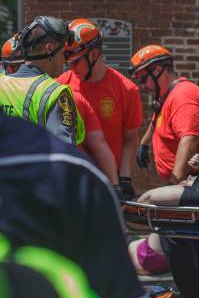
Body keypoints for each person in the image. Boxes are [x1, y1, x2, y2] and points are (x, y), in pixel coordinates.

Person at [0, 0, 146, 298]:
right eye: (65, 51)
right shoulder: (56, 96)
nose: (68, 59)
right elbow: (65, 146)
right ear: (51, 52)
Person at [129, 44, 199, 298]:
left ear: (159, 70)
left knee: (172, 233)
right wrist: (145, 144)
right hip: (193, 181)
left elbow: (189, 139)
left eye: (144, 77)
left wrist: (177, 181)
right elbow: (157, 122)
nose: (143, 85)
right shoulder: (166, 96)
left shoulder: (183, 96)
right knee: (189, 239)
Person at [60, 18, 142, 200]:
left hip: (110, 185)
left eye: (75, 62)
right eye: (68, 62)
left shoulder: (126, 90)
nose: (71, 68)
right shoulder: (61, 85)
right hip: (75, 182)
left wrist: (125, 179)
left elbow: (130, 138)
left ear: (94, 54)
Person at [0, 16, 83, 146]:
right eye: (63, 53)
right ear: (49, 49)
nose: (64, 60)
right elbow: (64, 155)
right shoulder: (54, 93)